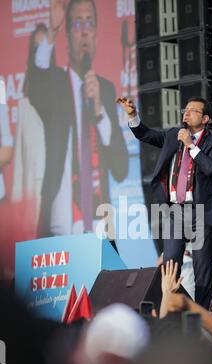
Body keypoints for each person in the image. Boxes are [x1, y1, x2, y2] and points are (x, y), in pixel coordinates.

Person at [30, 0, 128, 237]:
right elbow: (36, 79)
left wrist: (99, 112)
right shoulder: (54, 82)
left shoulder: (105, 89)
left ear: (96, 34)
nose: (84, 30)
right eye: (76, 23)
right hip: (60, 217)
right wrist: (51, 30)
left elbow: (121, 168)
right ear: (66, 37)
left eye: (90, 23)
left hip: (98, 219)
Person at [117, 96, 212, 308]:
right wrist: (132, 115)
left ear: (205, 119)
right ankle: (169, 309)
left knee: (201, 268)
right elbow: (146, 134)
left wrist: (191, 146)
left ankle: (201, 316)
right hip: (176, 211)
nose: (186, 113)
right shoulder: (172, 135)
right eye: (185, 109)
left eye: (193, 110)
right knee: (170, 264)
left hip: (201, 212)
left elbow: (211, 168)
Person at [12, 24, 55, 238]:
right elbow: (19, 167)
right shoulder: (24, 107)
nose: (42, 52)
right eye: (37, 46)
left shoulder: (62, 97)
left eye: (45, 46)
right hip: (33, 206)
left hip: (58, 202)